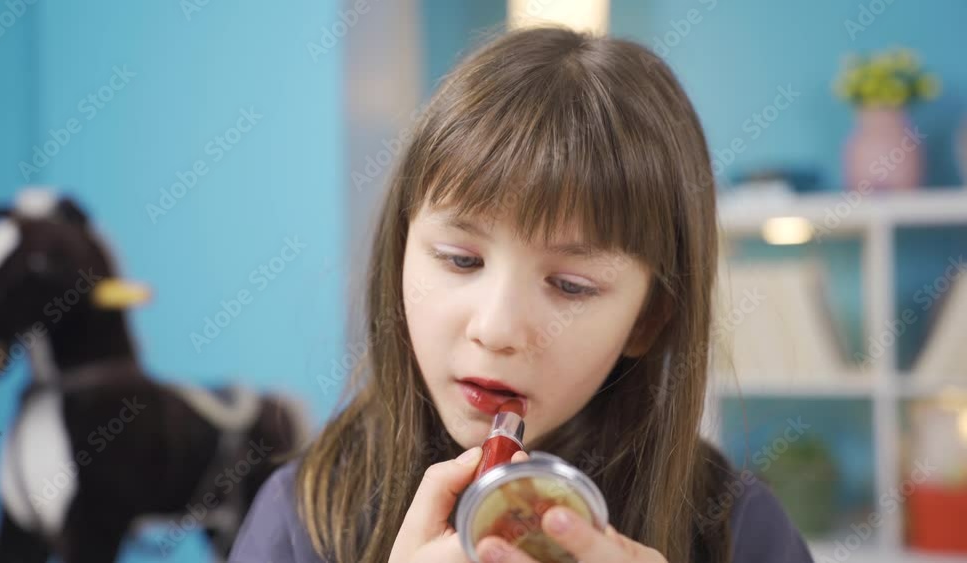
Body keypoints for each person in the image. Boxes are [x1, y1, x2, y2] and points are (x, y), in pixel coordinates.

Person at [229, 26, 814, 563]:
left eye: (569, 285)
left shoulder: (742, 530)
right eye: (461, 259)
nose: (497, 329)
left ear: (647, 320)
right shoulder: (301, 518)